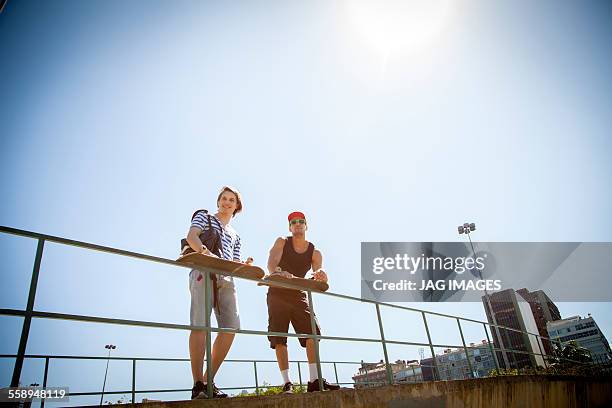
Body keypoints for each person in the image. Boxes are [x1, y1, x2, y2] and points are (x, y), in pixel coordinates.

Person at [266, 211, 341, 393]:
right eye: (293, 222)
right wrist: (278, 271)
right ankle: (287, 383)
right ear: (290, 227)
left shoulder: (314, 252)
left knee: (312, 333)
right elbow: (271, 263)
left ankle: (315, 380)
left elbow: (318, 273)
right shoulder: (282, 241)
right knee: (279, 337)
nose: (297, 224)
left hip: (298, 294)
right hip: (277, 292)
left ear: (306, 226)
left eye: (301, 221)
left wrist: (322, 275)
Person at [186, 186, 245, 399]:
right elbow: (192, 237)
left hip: (227, 278)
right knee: (200, 325)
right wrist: (206, 253)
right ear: (218, 201)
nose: (226, 202)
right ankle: (197, 385)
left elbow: (234, 262)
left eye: (231, 200)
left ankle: (208, 380)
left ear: (237, 206)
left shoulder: (236, 236)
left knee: (231, 327)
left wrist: (244, 264)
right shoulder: (205, 217)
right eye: (223, 198)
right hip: (204, 270)